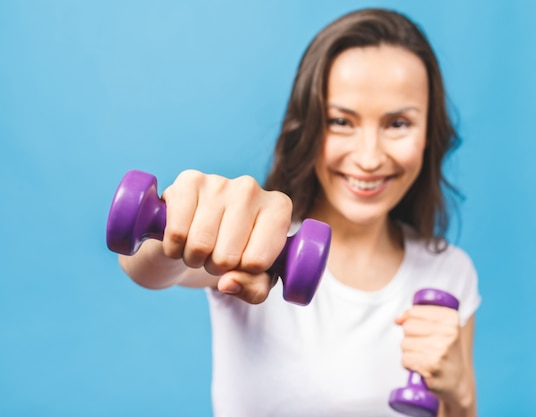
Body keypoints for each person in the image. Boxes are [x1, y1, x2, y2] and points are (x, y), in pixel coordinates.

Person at [119, 8, 481, 417]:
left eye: (397, 123)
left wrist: (461, 395)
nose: (368, 158)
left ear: (429, 134)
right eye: (341, 121)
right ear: (308, 126)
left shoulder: (450, 271)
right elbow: (144, 267)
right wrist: (182, 219)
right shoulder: (255, 241)